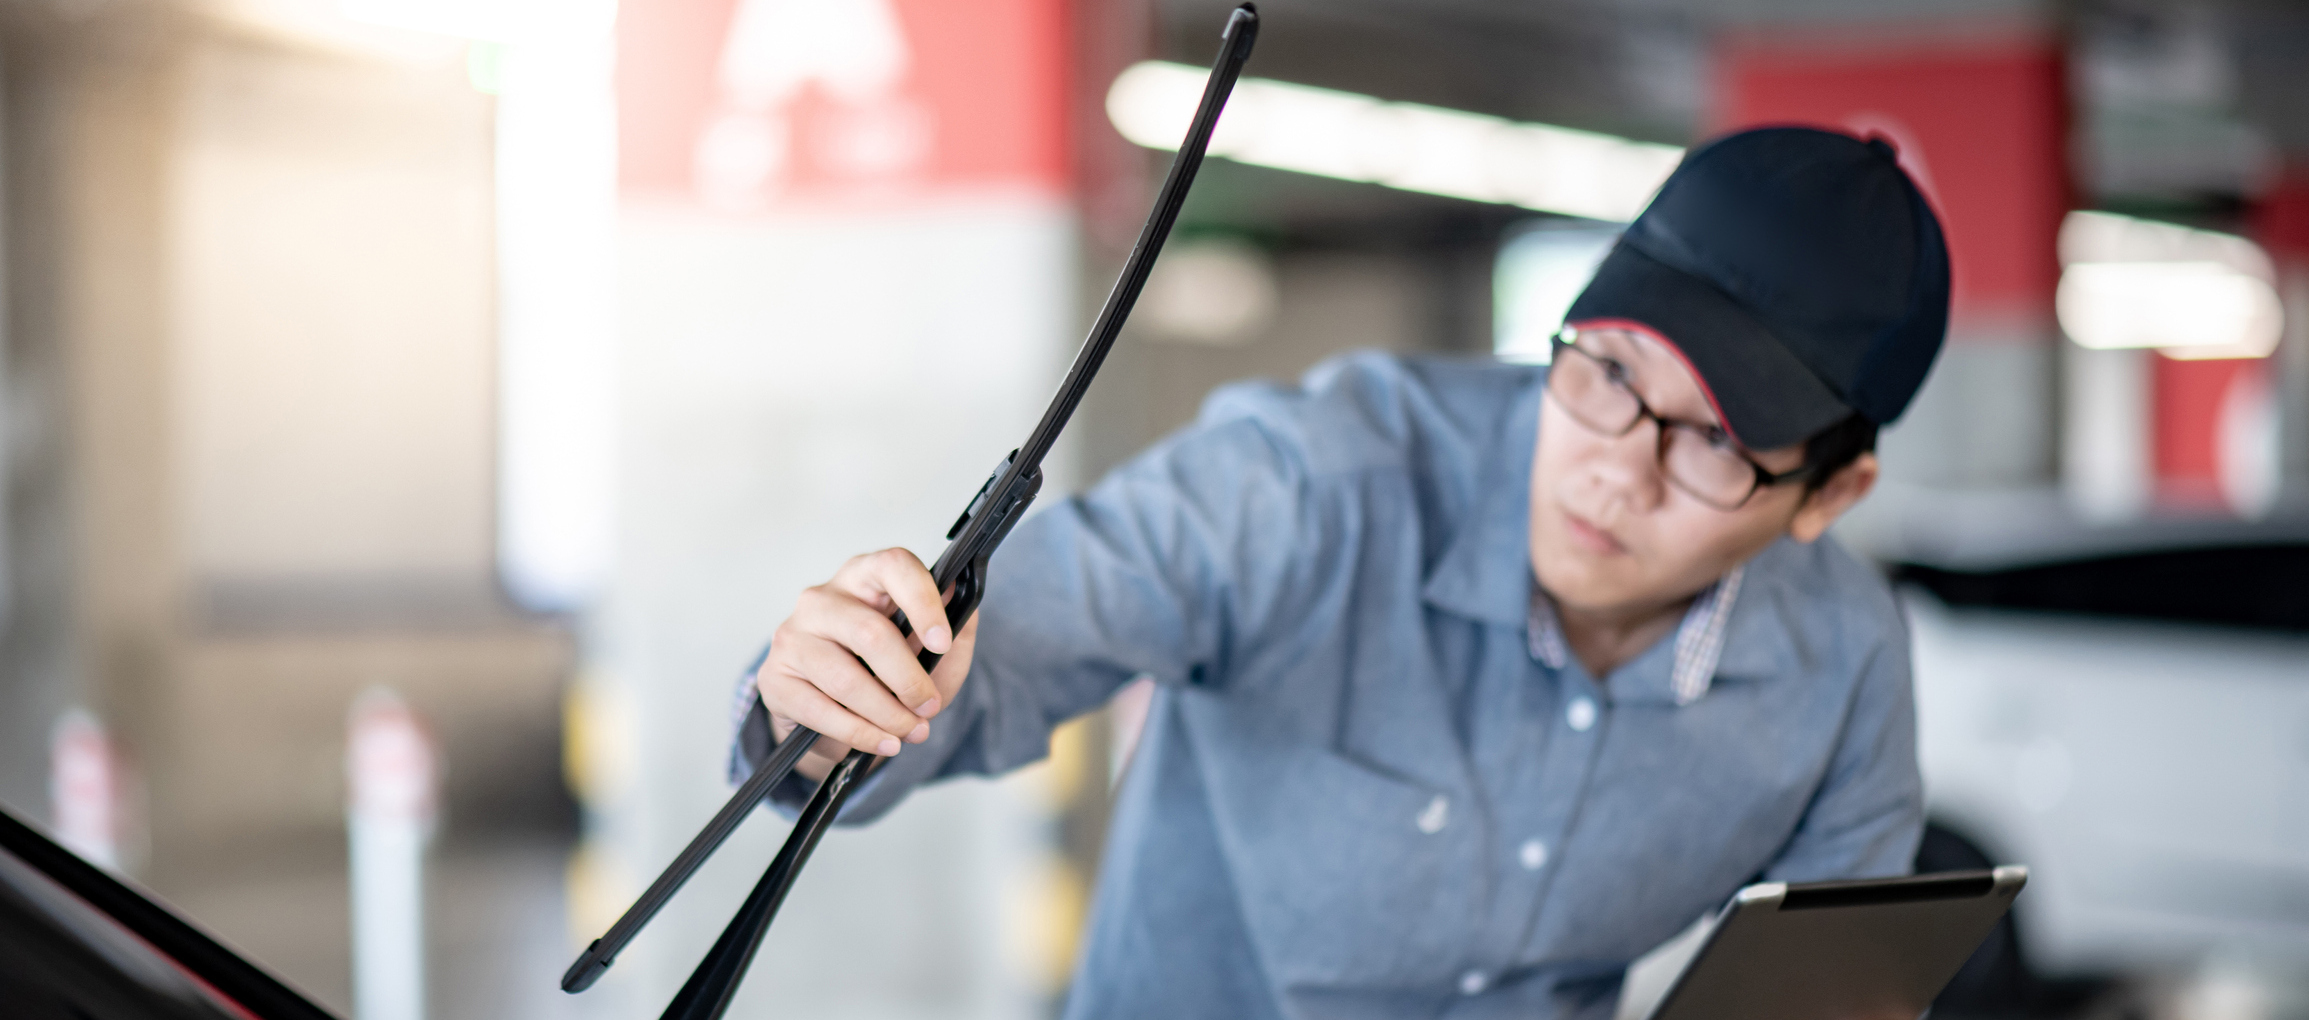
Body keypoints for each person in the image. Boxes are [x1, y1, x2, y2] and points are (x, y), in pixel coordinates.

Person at [730, 126, 1951, 1020]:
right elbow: (1016, 640)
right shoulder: (1313, 482)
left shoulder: (1841, 666)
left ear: (1828, 497)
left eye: (1713, 446)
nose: (1613, 474)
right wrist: (839, 699)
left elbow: (1821, 994)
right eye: (1607, 376)